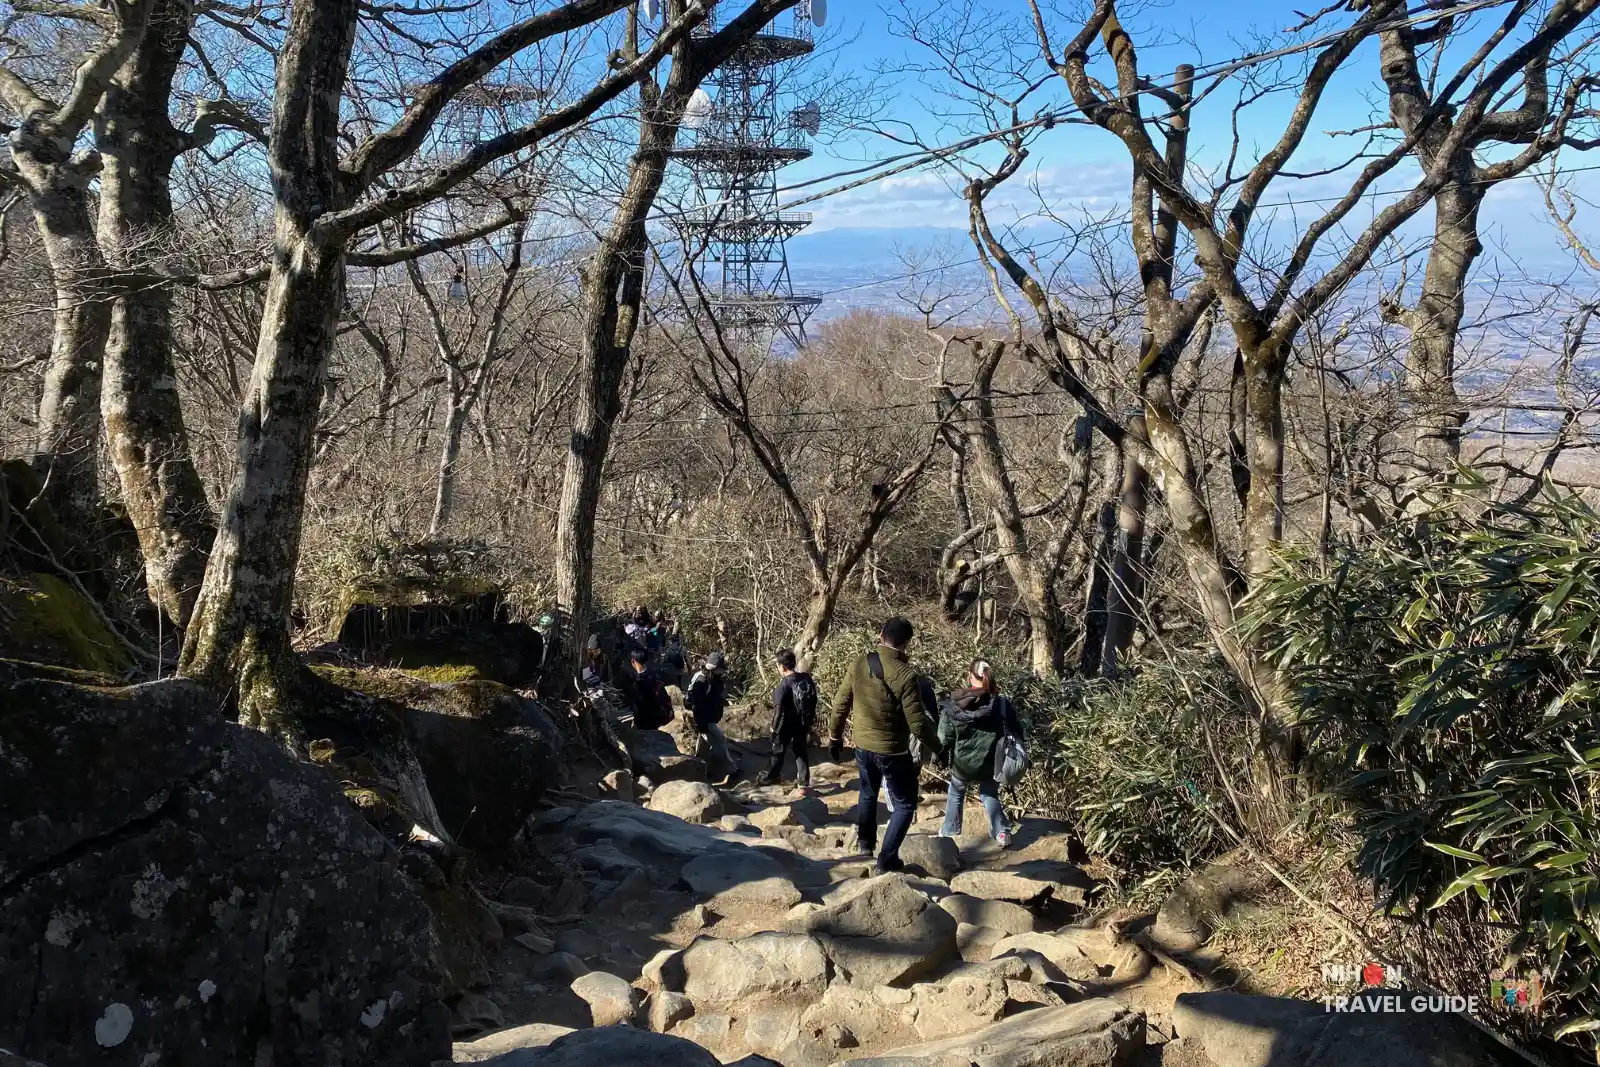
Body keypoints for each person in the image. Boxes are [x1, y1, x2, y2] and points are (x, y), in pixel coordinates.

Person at [828, 617, 943, 873]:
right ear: (906, 644)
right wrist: (939, 748)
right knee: (904, 804)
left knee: (868, 792)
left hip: (863, 747)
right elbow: (918, 724)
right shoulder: (906, 675)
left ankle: (865, 845)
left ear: (881, 635)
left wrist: (834, 737)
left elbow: (840, 704)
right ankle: (886, 859)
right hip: (894, 751)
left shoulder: (859, 663)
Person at [938, 659, 1024, 847]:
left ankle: (949, 832)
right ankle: (1001, 832)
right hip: (991, 762)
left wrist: (942, 755)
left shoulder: (955, 704)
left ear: (970, 676)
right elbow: (1016, 729)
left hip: (963, 763)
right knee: (989, 794)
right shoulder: (1001, 703)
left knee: (956, 791)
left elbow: (944, 736)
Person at [761, 648, 818, 792]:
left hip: (785, 724)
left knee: (778, 750)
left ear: (782, 667)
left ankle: (772, 777)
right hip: (802, 722)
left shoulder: (783, 686)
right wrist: (810, 720)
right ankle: (803, 783)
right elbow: (814, 699)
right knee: (800, 750)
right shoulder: (806, 678)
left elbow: (778, 711)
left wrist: (773, 729)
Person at [686, 650, 734, 780]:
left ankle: (698, 767)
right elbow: (697, 704)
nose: (723, 672)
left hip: (708, 717)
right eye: (721, 669)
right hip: (705, 719)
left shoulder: (712, 678)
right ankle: (731, 769)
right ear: (715, 668)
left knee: (703, 745)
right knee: (720, 740)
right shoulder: (702, 682)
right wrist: (702, 724)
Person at [630, 646, 674, 730]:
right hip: (656, 718)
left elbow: (639, 703)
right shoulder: (654, 674)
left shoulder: (638, 681)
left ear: (633, 661)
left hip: (645, 721)